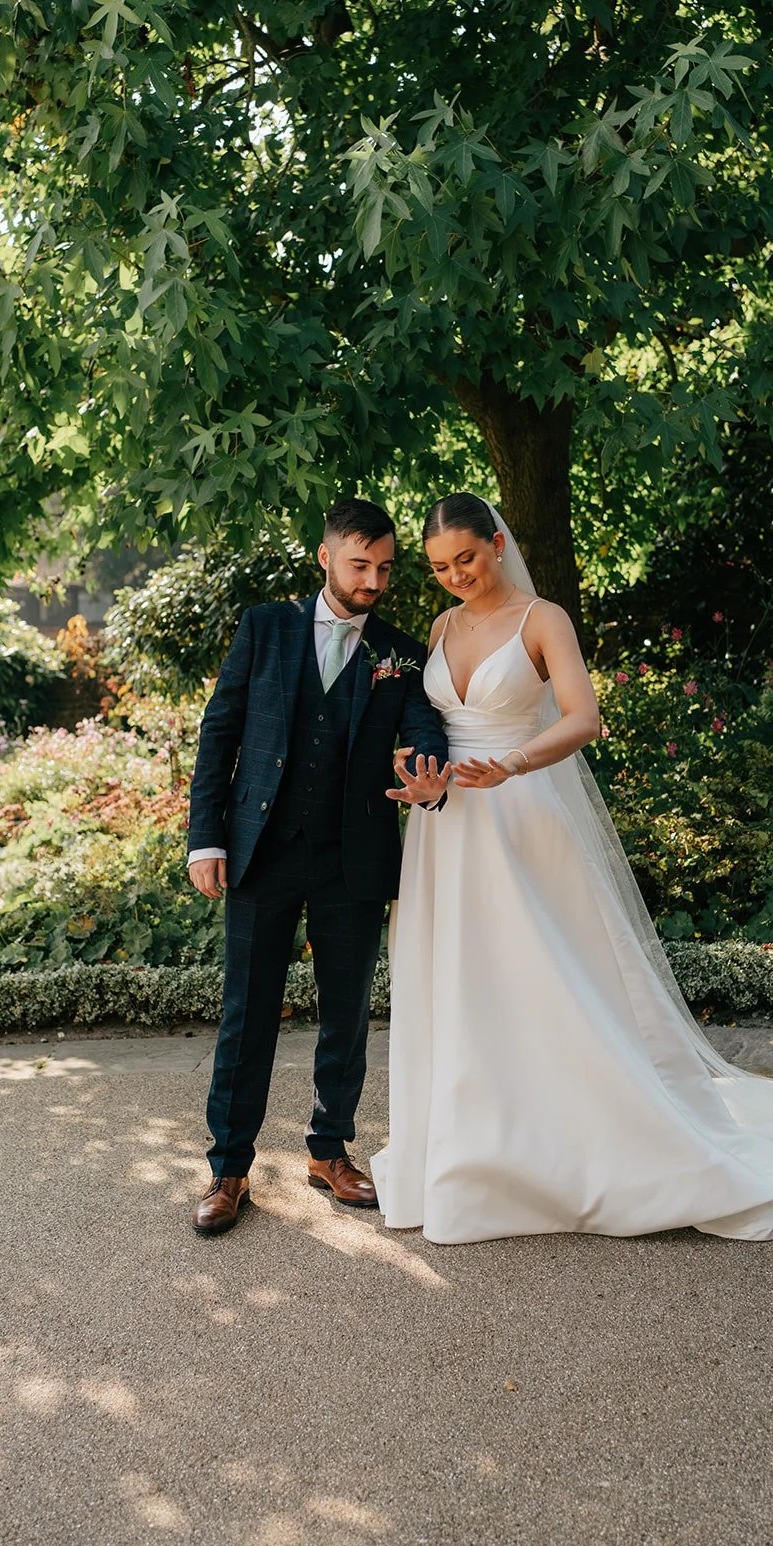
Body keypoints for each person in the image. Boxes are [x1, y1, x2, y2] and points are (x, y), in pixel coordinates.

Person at [371, 494, 773, 1243]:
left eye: (466, 557)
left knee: (545, 975)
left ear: (497, 542)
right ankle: (472, 1144)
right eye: (438, 567)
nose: (455, 576)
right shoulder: (438, 627)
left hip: (521, 810)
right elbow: (427, 720)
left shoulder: (543, 619)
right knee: (462, 976)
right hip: (449, 824)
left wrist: (516, 762)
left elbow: (582, 716)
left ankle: (577, 1142)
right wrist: (420, 770)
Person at [186, 498, 449, 1235]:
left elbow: (424, 723)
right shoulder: (264, 627)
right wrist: (206, 838)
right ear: (325, 557)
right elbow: (221, 734)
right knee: (246, 1013)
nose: (373, 580)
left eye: (385, 568)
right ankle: (229, 1168)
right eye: (360, 564)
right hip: (262, 850)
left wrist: (432, 775)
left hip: (352, 857)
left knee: (347, 1013)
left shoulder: (400, 650)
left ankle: (329, 1151)